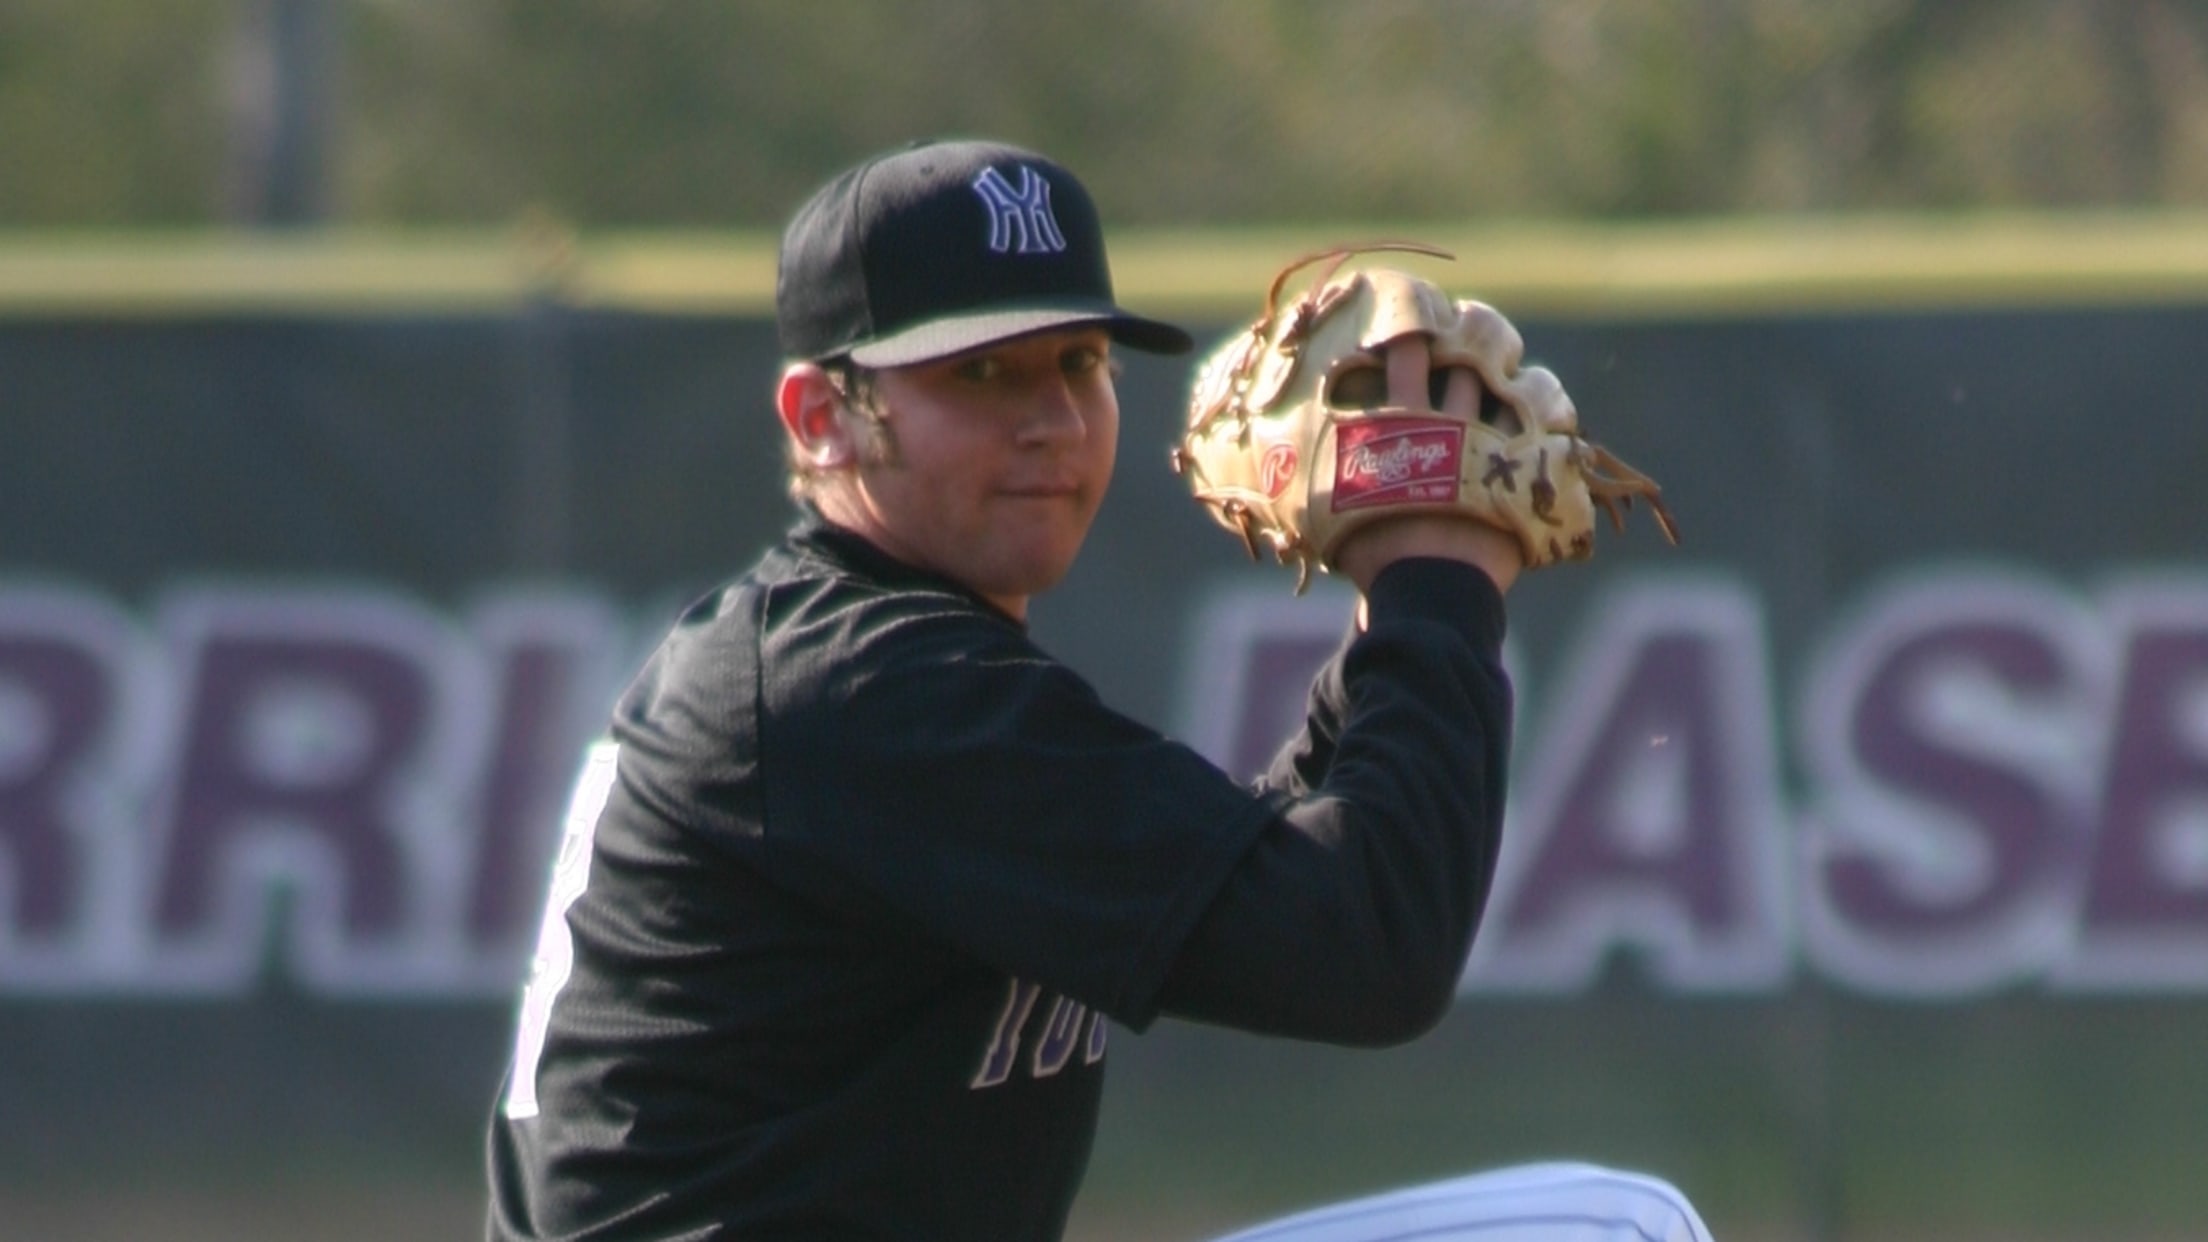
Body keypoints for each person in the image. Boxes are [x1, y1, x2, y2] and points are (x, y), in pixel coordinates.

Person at [484, 137, 1715, 1241]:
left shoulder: (850, 664)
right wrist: (1438, 586)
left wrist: (1380, 623)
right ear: (822, 417)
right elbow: (1371, 944)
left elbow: (1263, 881)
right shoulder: (863, 688)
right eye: (981, 375)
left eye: (1078, 361)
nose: (1054, 420)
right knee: (1613, 1232)